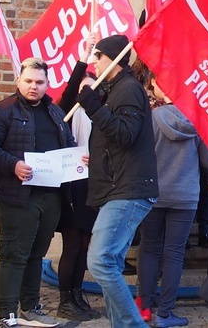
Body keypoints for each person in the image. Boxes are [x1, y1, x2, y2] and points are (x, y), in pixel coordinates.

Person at [0, 57, 77, 327]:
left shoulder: (56, 113)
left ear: (47, 84)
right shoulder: (1, 110)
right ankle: (7, 312)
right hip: (14, 194)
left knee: (36, 254)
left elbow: (68, 144)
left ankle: (31, 306)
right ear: (18, 81)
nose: (34, 87)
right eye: (29, 81)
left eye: (40, 82)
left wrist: (78, 158)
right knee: (14, 253)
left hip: (50, 195)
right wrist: (14, 165)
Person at [76, 35, 159, 327]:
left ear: (113, 58)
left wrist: (94, 108)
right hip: (118, 188)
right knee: (109, 262)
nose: (93, 62)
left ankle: (133, 324)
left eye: (97, 56)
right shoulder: (114, 90)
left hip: (129, 190)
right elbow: (118, 142)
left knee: (99, 260)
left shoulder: (128, 89)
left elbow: (125, 133)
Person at [138, 73, 208, 328]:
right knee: (174, 254)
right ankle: (165, 313)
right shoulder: (198, 122)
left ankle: (146, 308)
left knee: (149, 249)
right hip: (185, 197)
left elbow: (140, 155)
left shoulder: (151, 118)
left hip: (153, 192)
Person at [54, 37, 99, 322]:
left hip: (91, 185)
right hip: (71, 184)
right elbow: (70, 93)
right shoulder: (66, 111)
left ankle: (77, 292)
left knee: (84, 244)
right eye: (84, 85)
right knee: (72, 243)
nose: (87, 89)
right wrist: (84, 58)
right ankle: (65, 299)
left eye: (92, 86)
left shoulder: (98, 115)